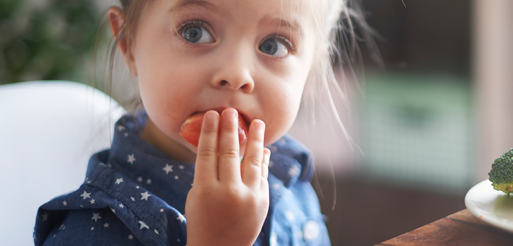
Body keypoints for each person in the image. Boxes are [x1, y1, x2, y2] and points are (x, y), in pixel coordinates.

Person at [33, 0, 369, 245]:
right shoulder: (92, 231)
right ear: (128, 43)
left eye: (273, 44)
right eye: (194, 32)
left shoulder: (290, 173)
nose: (236, 74)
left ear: (311, 65)